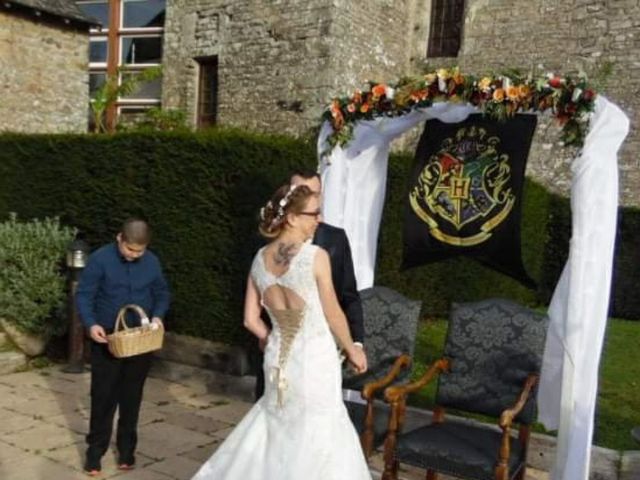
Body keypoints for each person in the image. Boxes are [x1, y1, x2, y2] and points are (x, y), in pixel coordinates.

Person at [192, 184, 371, 480]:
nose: (318, 219)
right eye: (313, 213)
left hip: (278, 359)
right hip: (314, 360)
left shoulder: (259, 258)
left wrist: (272, 337)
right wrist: (353, 348)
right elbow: (333, 311)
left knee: (277, 428)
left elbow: (250, 319)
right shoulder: (315, 256)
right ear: (291, 218)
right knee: (318, 433)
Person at [254, 169, 366, 398]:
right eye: (300, 193)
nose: (317, 215)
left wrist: (355, 343)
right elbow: (332, 310)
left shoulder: (334, 240)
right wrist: (267, 337)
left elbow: (348, 295)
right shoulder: (310, 255)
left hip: (310, 350)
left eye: (313, 194)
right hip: (297, 354)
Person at [76, 218, 170, 476]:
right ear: (120, 238)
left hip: (141, 340)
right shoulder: (99, 259)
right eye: (130, 249)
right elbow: (84, 294)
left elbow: (162, 293)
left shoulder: (152, 261)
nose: (134, 255)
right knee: (103, 397)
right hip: (106, 338)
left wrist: (158, 315)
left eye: (139, 251)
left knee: (132, 397)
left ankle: (127, 451)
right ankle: (95, 453)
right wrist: (91, 324)